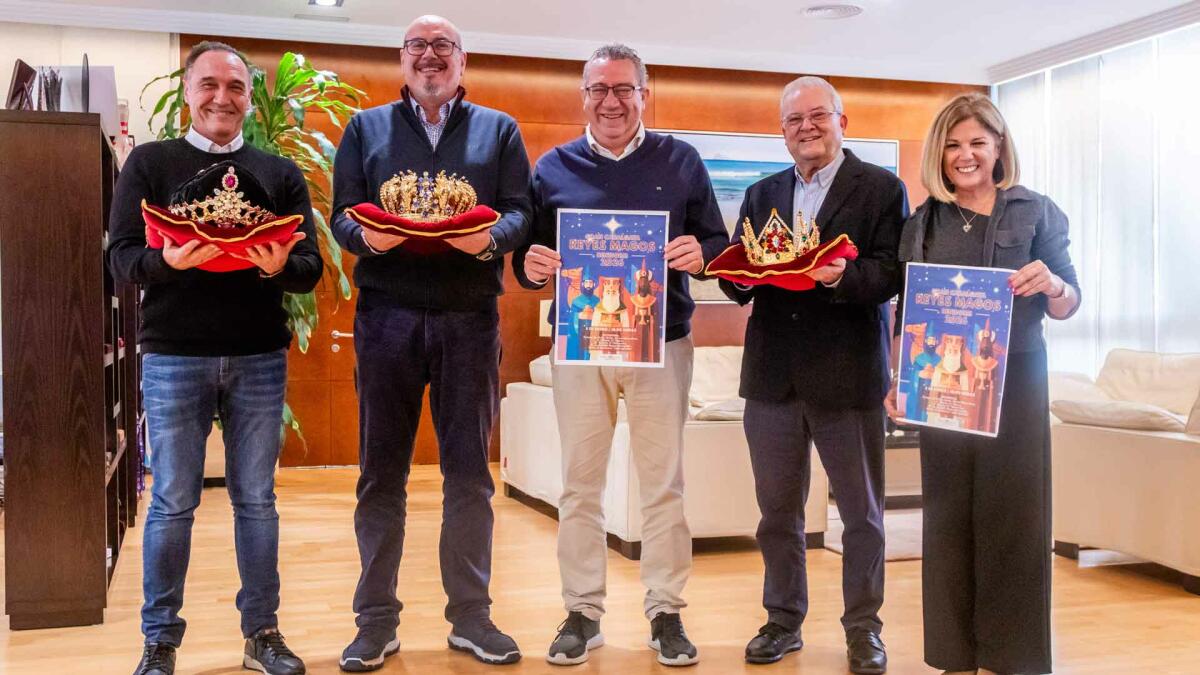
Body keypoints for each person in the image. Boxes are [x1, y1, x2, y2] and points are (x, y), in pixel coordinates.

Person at [108, 41, 321, 675]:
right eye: (209, 85)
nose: (221, 97)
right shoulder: (149, 164)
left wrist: (283, 266)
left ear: (250, 98)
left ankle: (262, 634)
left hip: (259, 355)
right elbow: (119, 259)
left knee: (256, 499)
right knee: (174, 500)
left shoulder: (280, 173)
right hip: (174, 356)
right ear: (188, 89)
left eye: (235, 86)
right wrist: (165, 264)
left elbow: (309, 270)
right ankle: (159, 643)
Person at [329, 14, 532, 671]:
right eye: (418, 46)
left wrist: (495, 239)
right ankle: (375, 621)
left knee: (470, 476)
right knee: (379, 474)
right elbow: (342, 213)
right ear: (402, 59)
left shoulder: (500, 130)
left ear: (462, 60)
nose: (430, 56)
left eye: (442, 45)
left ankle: (471, 616)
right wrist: (364, 239)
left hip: (469, 317)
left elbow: (521, 208)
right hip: (385, 314)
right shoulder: (365, 129)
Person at [514, 43, 728, 667]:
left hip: (662, 342)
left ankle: (665, 612)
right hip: (581, 346)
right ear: (583, 95)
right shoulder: (552, 166)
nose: (610, 101)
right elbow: (527, 259)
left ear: (644, 92)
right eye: (598, 89)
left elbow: (715, 241)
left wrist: (701, 254)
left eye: (623, 89)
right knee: (580, 486)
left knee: (663, 487)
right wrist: (531, 269)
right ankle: (582, 611)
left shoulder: (681, 160)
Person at [885, 92, 1080, 675]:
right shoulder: (922, 220)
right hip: (941, 382)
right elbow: (906, 310)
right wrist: (899, 378)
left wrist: (1051, 284)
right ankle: (954, 656)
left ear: (998, 147)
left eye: (976, 143)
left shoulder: (1035, 211)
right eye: (952, 145)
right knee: (946, 518)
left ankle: (1013, 658)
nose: (964, 155)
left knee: (1014, 518)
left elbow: (1071, 301)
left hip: (1015, 379)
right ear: (938, 156)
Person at [719, 76, 907, 674]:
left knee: (862, 516)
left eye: (818, 116)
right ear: (782, 132)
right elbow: (736, 272)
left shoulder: (881, 189)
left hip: (848, 378)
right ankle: (782, 620)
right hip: (772, 378)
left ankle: (863, 629)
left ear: (842, 122)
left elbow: (889, 276)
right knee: (777, 513)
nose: (807, 127)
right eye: (794, 120)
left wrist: (836, 278)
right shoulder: (760, 193)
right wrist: (739, 278)